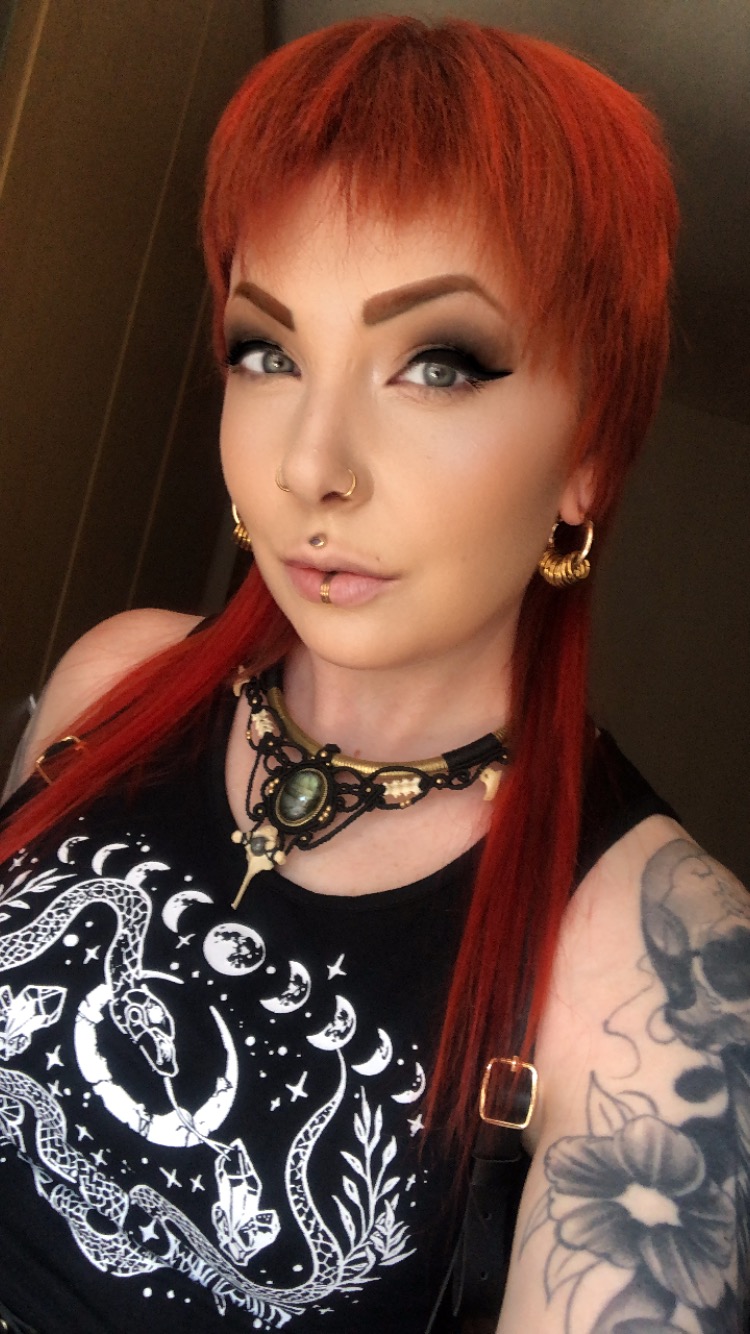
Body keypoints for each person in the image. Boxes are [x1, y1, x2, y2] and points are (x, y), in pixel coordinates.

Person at [0, 15, 747, 1334]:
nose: (311, 465)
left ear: (588, 450)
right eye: (267, 352)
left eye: (435, 364)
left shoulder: (666, 972)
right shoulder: (114, 678)